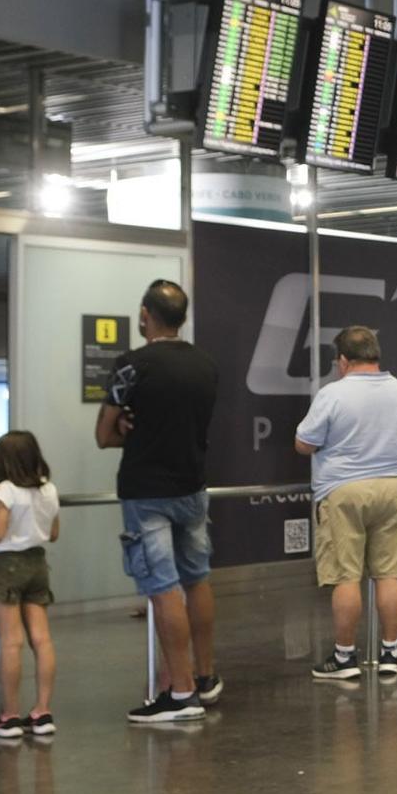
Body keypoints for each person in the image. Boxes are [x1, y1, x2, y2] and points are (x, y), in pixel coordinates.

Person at [98, 279, 221, 723]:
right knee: (197, 580)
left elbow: (103, 434)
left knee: (163, 588)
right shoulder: (206, 366)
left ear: (146, 314)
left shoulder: (132, 365)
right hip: (193, 487)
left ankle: (180, 692)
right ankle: (205, 678)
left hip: (147, 491)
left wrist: (130, 428)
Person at [294, 324, 397, 679]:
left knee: (346, 576)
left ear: (344, 360)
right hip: (393, 487)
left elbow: (305, 441)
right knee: (389, 574)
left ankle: (345, 658)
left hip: (343, 490)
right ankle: (390, 654)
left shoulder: (333, 394)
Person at [0, 431, 60, 740]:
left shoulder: (5, 491)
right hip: (38, 564)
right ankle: (42, 712)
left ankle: (10, 716)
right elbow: (53, 533)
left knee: (11, 642)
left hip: (8, 566)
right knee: (42, 640)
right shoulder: (49, 490)